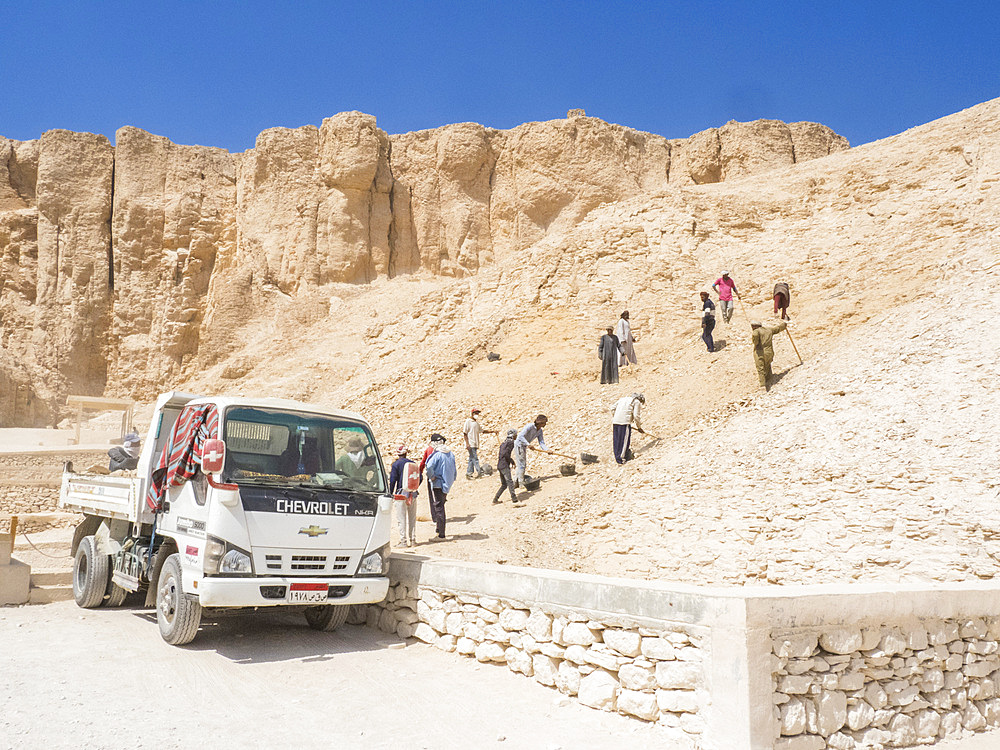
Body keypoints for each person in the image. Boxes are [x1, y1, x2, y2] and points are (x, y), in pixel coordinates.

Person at [424, 435, 457, 539]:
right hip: (447, 483)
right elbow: (454, 470)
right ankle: (438, 530)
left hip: (438, 483)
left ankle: (441, 534)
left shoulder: (437, 455)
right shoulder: (450, 453)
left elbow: (429, 467)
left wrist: (431, 476)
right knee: (441, 505)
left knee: (439, 508)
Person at [388, 446, 418, 547]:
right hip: (412, 493)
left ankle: (403, 541)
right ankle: (413, 539)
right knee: (412, 518)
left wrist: (390, 493)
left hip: (401, 494)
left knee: (401, 518)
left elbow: (393, 480)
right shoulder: (413, 464)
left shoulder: (396, 464)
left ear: (398, 453)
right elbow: (420, 477)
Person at [751, 320, 788, 390]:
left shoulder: (756, 331)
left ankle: (763, 386)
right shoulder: (768, 329)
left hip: (760, 352)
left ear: (754, 326)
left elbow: (755, 341)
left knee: (760, 368)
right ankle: (769, 378)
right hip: (769, 351)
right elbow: (778, 328)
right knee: (767, 364)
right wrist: (784, 325)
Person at [514, 415, 548, 487]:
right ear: (540, 422)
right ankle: (521, 483)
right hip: (519, 445)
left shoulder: (540, 431)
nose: (545, 424)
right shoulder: (529, 426)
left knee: (521, 464)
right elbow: (520, 436)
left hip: (524, 446)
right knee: (522, 464)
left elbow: (541, 442)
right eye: (544, 422)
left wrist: (547, 450)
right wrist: (528, 444)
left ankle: (515, 482)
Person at [463, 408, 496, 479]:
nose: (477, 415)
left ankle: (469, 474)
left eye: (477, 413)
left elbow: (482, 431)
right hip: (471, 444)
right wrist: (467, 444)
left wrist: (492, 431)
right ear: (472, 414)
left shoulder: (476, 424)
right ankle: (480, 473)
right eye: (475, 413)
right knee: (475, 458)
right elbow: (465, 433)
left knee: (471, 459)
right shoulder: (468, 422)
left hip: (475, 443)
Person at [612, 393, 645, 465]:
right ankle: (622, 459)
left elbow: (612, 408)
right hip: (625, 423)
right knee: (624, 441)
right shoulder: (636, 402)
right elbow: (636, 416)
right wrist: (639, 427)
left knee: (617, 441)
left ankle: (618, 457)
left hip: (615, 422)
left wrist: (616, 417)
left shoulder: (622, 399)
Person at [493, 429, 518, 504]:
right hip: (504, 465)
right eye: (516, 435)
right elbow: (506, 454)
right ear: (513, 435)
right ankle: (514, 499)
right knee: (510, 482)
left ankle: (495, 499)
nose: (516, 436)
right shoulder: (511, 442)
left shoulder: (504, 442)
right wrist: (511, 461)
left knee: (504, 484)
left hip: (500, 465)